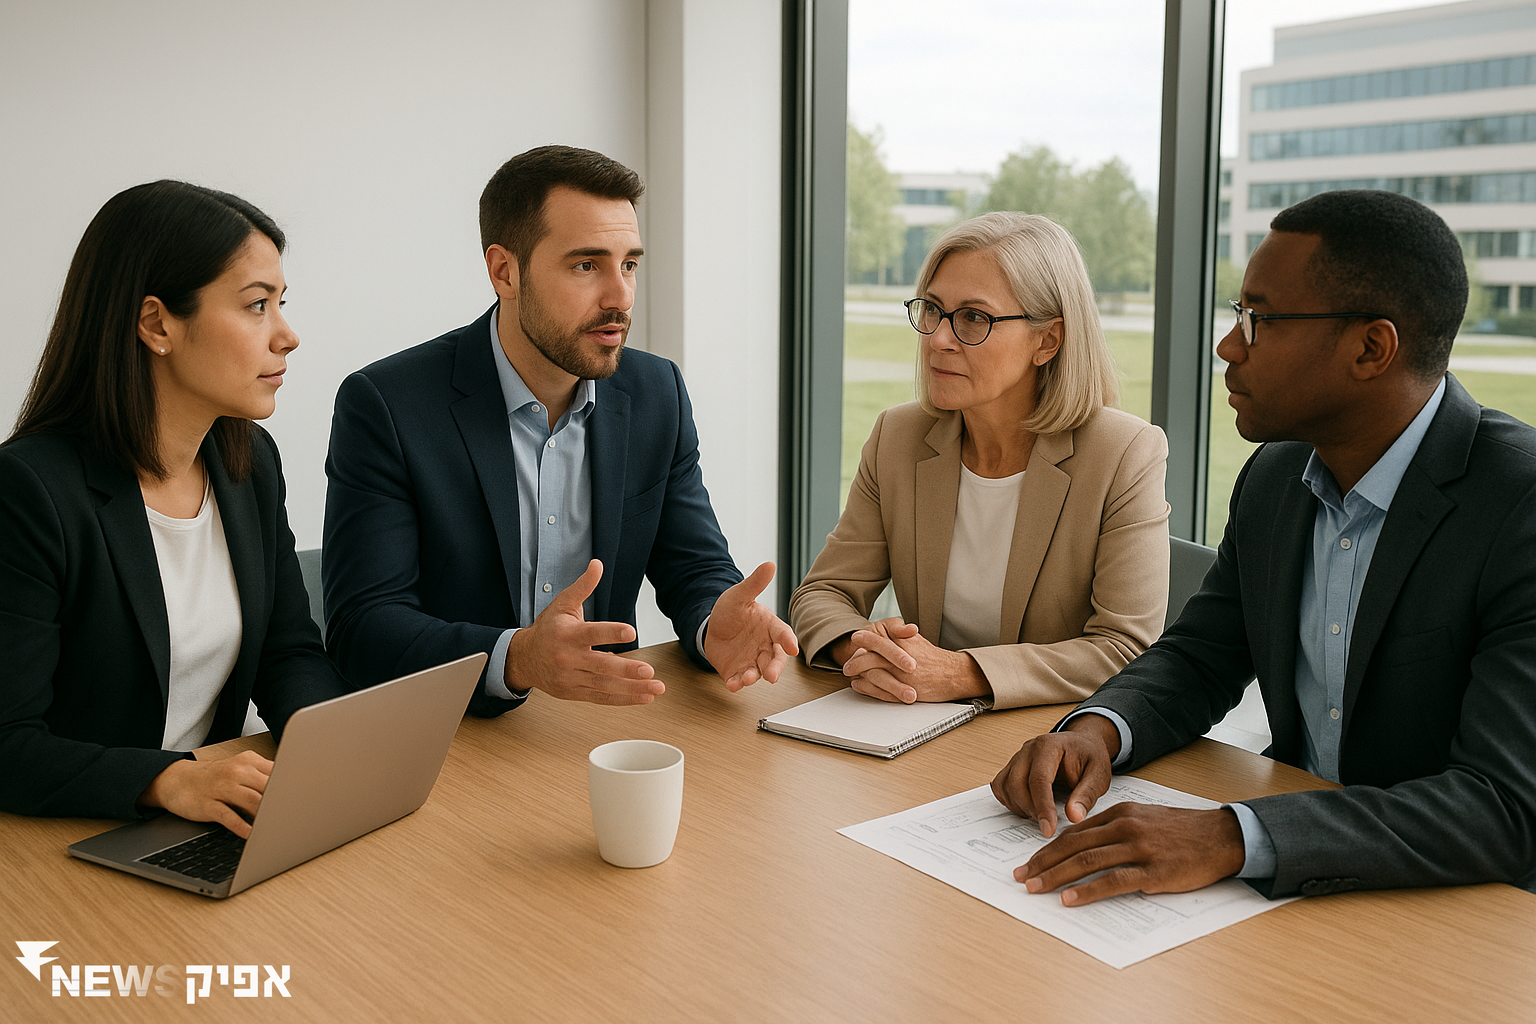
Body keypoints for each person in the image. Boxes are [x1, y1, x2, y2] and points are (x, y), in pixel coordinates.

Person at [992, 189, 1536, 902]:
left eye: (1260, 319)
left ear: (1371, 347)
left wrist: (1232, 835)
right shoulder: (1277, 475)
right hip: (1294, 887)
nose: (1228, 345)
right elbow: (1201, 655)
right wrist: (1098, 730)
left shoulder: (1517, 504)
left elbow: (1500, 806)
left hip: (1460, 912)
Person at [323, 145, 796, 716]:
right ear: (505, 271)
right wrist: (517, 657)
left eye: (629, 264)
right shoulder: (388, 405)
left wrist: (711, 622)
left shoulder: (655, 393)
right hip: (449, 737)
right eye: (585, 265)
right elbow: (363, 628)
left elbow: (693, 565)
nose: (620, 297)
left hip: (597, 728)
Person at [0, 180, 353, 837]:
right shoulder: (28, 491)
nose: (288, 335)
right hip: (78, 832)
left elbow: (288, 653)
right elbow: (8, 743)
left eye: (281, 304)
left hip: (212, 817)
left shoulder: (250, 462)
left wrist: (324, 750)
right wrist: (166, 778)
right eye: (256, 306)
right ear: (157, 324)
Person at [789, 212, 1170, 708]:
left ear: (1048, 340)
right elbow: (823, 594)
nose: (938, 339)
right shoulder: (897, 437)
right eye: (932, 310)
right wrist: (868, 650)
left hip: (1047, 740)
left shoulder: (1124, 453)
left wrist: (960, 673)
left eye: (973, 317)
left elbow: (1124, 648)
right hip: (912, 722)